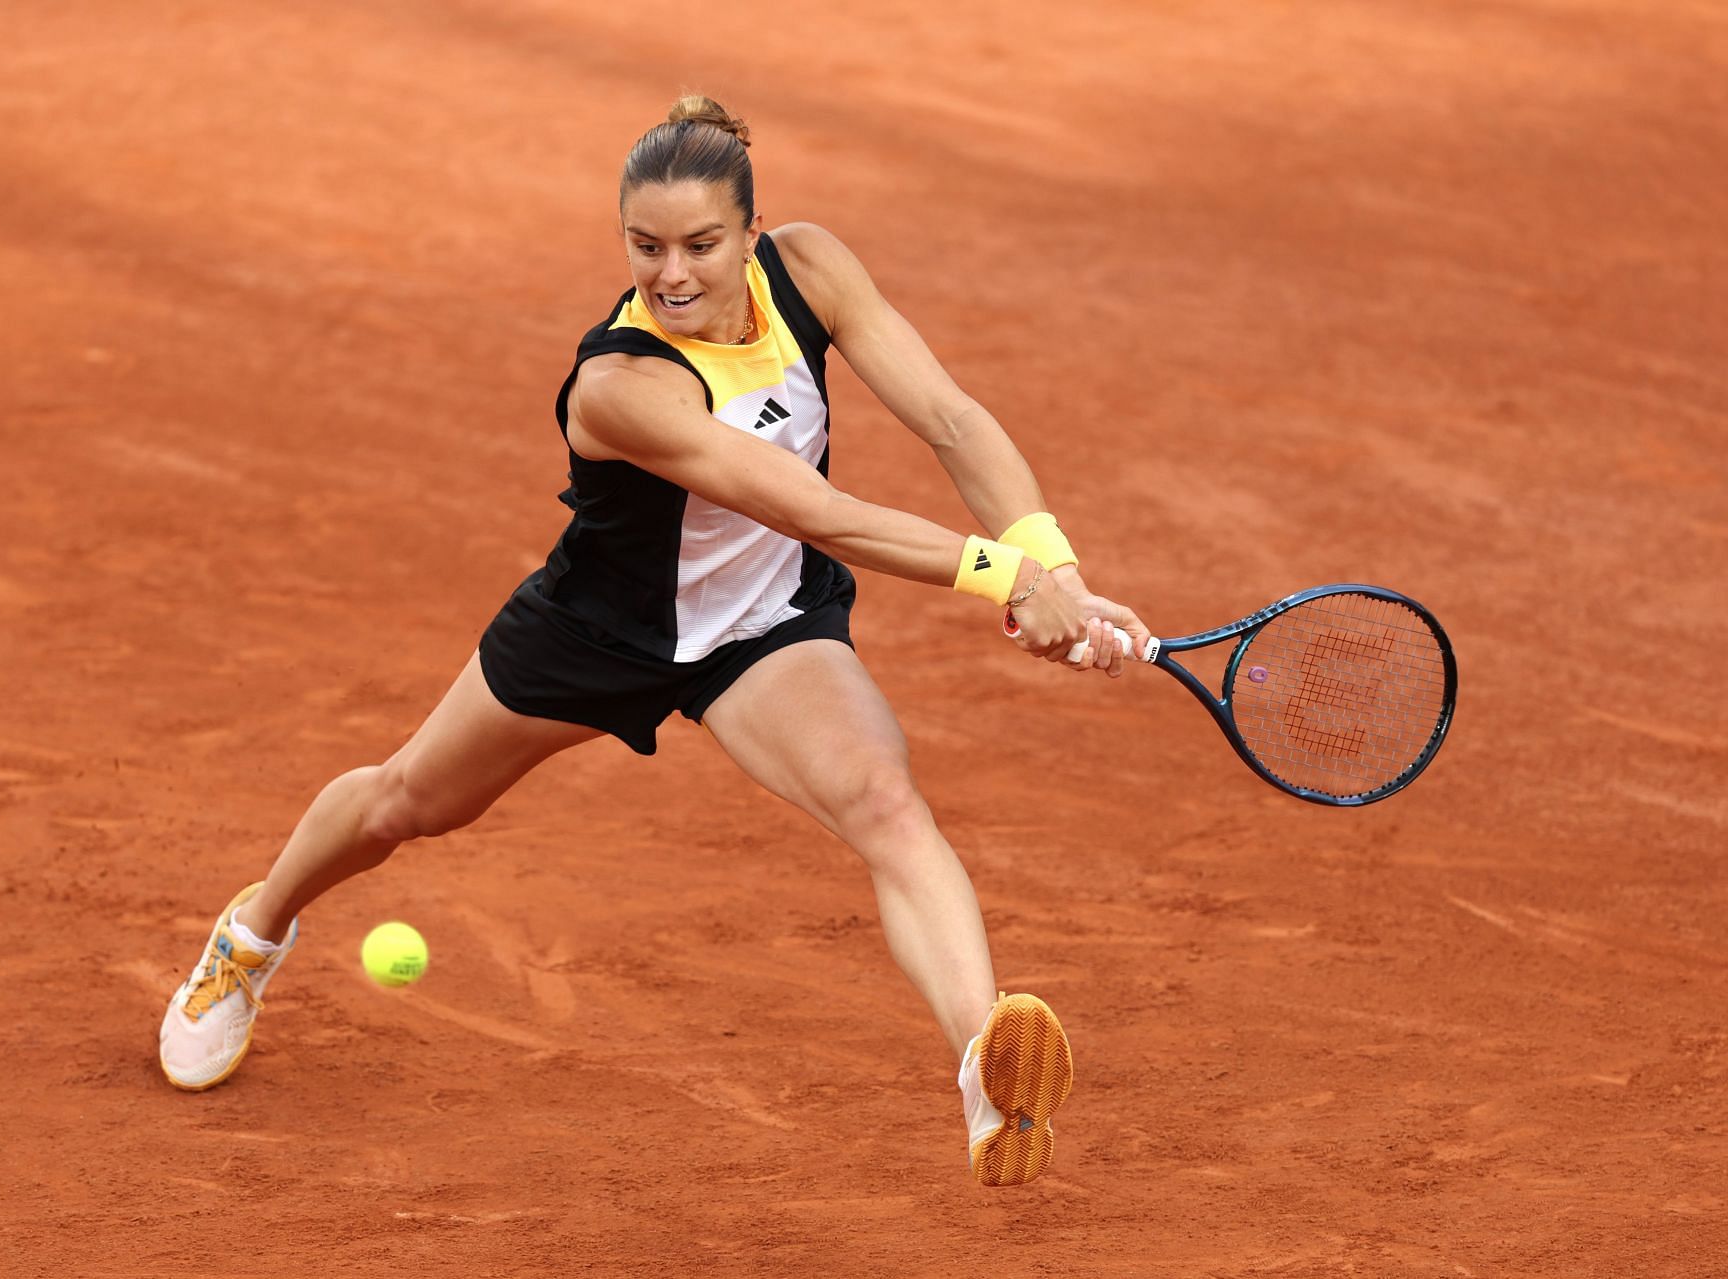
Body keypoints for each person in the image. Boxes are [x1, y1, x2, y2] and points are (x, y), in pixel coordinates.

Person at [158, 95, 1151, 1188]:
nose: (670, 273)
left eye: (700, 245)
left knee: (881, 798)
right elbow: (815, 511)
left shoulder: (812, 271)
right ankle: (249, 938)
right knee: (406, 803)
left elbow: (953, 421)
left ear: (754, 236)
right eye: (645, 246)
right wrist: (1001, 575)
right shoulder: (621, 383)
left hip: (765, 631)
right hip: (602, 628)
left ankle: (983, 1067)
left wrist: (1053, 566)